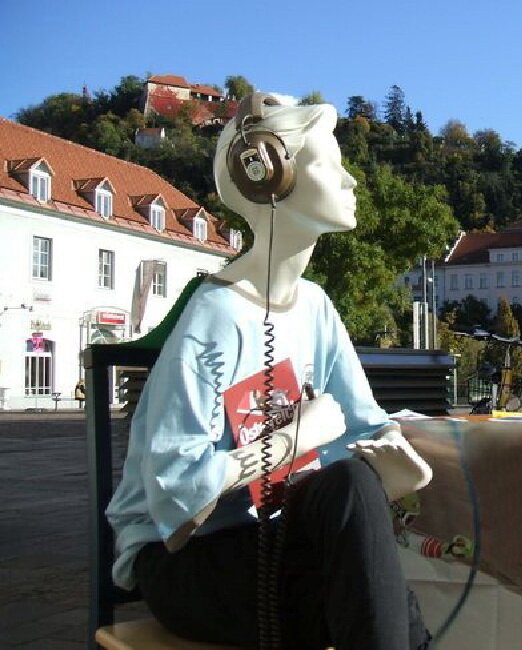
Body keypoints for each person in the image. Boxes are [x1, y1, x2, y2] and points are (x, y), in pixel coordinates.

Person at [106, 93, 433, 649]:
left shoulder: (315, 306)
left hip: (270, 546)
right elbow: (172, 489)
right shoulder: (215, 316)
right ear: (267, 175)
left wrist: (398, 462)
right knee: (364, 566)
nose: (352, 181)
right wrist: (294, 438)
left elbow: (358, 421)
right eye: (333, 165)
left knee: (373, 568)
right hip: (185, 562)